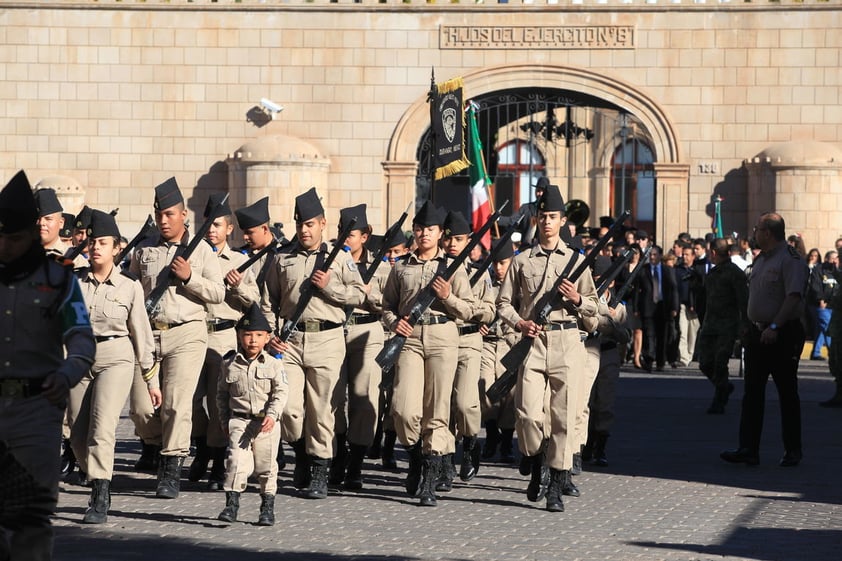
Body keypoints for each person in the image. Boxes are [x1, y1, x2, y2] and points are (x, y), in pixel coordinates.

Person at [0, 170, 96, 559]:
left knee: (32, 523)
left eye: (15, 238)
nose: (6, 246)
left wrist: (68, 370)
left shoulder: (58, 281)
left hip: (36, 410)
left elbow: (81, 338)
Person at [496, 184, 599, 513]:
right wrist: (520, 323)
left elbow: (595, 311)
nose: (547, 222)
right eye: (543, 217)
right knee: (527, 415)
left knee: (564, 418)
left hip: (567, 340)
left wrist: (578, 300)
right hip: (533, 342)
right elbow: (503, 304)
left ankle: (555, 483)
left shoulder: (577, 261)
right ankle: (537, 459)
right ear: (537, 219)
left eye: (553, 217)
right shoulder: (521, 260)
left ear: (563, 221)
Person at [263, 187, 366, 500]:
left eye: (310, 224)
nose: (304, 230)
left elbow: (360, 295)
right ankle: (302, 453)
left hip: (327, 338)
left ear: (322, 224)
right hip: (291, 341)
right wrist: (270, 335)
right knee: (290, 410)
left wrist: (330, 287)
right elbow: (268, 301)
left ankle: (319, 469)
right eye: (299, 225)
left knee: (322, 410)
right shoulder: (282, 259)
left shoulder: (340, 259)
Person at [130, 177, 225, 499]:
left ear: (184, 214)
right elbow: (130, 289)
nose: (164, 221)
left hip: (187, 334)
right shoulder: (145, 249)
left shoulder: (202, 252)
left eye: (170, 214)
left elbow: (218, 292)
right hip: (149, 334)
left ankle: (171, 469)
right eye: (160, 215)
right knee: (142, 409)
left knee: (176, 405)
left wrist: (189, 277)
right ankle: (155, 445)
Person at [67, 209, 161, 524]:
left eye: (103, 243)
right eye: (92, 242)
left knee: (102, 428)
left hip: (116, 356)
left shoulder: (129, 285)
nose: (96, 248)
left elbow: (141, 334)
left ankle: (100, 494)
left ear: (116, 247)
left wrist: (151, 380)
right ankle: (94, 473)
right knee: (78, 437)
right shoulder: (74, 281)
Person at [380, 200, 475, 507]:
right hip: (409, 339)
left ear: (439, 234)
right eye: (419, 229)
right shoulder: (401, 266)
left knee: (437, 410)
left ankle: (430, 478)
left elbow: (471, 309)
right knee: (404, 409)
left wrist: (448, 297)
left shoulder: (452, 268)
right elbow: (386, 307)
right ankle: (416, 458)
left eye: (430, 230)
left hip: (443, 337)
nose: (423, 234)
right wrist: (396, 324)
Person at [721, 213, 808, 467]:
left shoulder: (789, 260)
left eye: (758, 228)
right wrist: (750, 326)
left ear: (768, 232)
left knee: (787, 393)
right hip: (758, 334)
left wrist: (774, 325)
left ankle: (793, 450)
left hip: (782, 334)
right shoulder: (761, 260)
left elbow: (793, 297)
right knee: (752, 394)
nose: (754, 232)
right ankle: (748, 449)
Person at [190, 194, 259, 490]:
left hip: (223, 337)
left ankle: (218, 459)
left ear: (229, 229)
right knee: (189, 401)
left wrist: (239, 285)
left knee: (220, 403)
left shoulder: (240, 260)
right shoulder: (190, 256)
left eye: (217, 225)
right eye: (207, 224)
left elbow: (256, 303)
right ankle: (201, 445)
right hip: (193, 334)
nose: (212, 230)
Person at [331, 204, 389, 490]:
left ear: (365, 236)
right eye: (342, 232)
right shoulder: (331, 262)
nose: (345, 238)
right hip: (335, 331)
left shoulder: (382, 266)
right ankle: (338, 453)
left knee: (364, 398)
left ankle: (356, 464)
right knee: (333, 399)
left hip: (368, 329)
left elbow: (390, 303)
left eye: (351, 233)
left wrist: (370, 295)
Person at [216, 303, 288, 526]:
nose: (253, 340)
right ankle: (232, 504)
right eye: (248, 335)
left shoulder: (274, 365)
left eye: (259, 335)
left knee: (266, 467)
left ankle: (267, 507)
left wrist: (273, 415)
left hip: (265, 423)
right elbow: (221, 394)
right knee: (235, 462)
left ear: (267, 338)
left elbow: (281, 392)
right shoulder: (229, 364)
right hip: (239, 420)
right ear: (239, 336)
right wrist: (224, 420)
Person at [438, 211, 495, 490]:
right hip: (441, 341)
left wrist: (475, 314)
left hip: (470, 341)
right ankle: (445, 462)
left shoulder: (480, 273)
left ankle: (471, 442)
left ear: (469, 241)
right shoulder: (435, 270)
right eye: (448, 239)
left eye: (458, 240)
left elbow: (489, 310)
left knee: (465, 403)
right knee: (443, 405)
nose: (452, 245)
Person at [581, 255, 629, 467]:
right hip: (588, 351)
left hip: (608, 354)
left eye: (605, 279)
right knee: (586, 401)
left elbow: (625, 336)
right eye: (597, 278)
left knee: (605, 403)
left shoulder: (619, 306)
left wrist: (612, 320)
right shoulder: (585, 301)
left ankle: (600, 445)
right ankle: (584, 445)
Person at [697, 238, 749, 414]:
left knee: (720, 363)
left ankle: (719, 400)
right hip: (710, 324)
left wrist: (744, 326)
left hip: (727, 326)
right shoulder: (713, 273)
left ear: (713, 252)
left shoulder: (735, 273)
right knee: (704, 362)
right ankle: (724, 386)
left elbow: (744, 301)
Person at [479, 239, 518, 464]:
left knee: (509, 396)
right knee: (485, 387)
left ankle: (506, 441)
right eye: (495, 263)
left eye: (503, 263)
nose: (499, 268)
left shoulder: (519, 284)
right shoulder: (484, 282)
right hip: (487, 342)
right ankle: (491, 434)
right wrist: (479, 321)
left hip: (510, 342)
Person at [635, 245, 679, 372]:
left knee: (662, 336)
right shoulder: (643, 270)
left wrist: (674, 307)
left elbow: (674, 289)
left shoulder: (668, 270)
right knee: (649, 335)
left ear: (660, 256)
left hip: (663, 307)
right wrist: (636, 308)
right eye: (651, 255)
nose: (652, 257)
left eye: (655, 255)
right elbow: (637, 290)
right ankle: (648, 359)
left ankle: (660, 362)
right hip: (648, 307)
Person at [496, 176, 548, 248]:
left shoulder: (552, 210)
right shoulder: (526, 208)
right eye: (538, 191)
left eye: (543, 191)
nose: (540, 194)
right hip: (527, 248)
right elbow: (512, 220)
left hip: (545, 247)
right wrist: (497, 218)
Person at [674, 244, 699, 367]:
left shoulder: (697, 270)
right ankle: (683, 358)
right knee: (683, 331)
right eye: (683, 254)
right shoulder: (677, 270)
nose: (684, 257)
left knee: (692, 333)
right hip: (682, 305)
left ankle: (689, 355)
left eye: (687, 255)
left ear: (693, 256)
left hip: (695, 307)